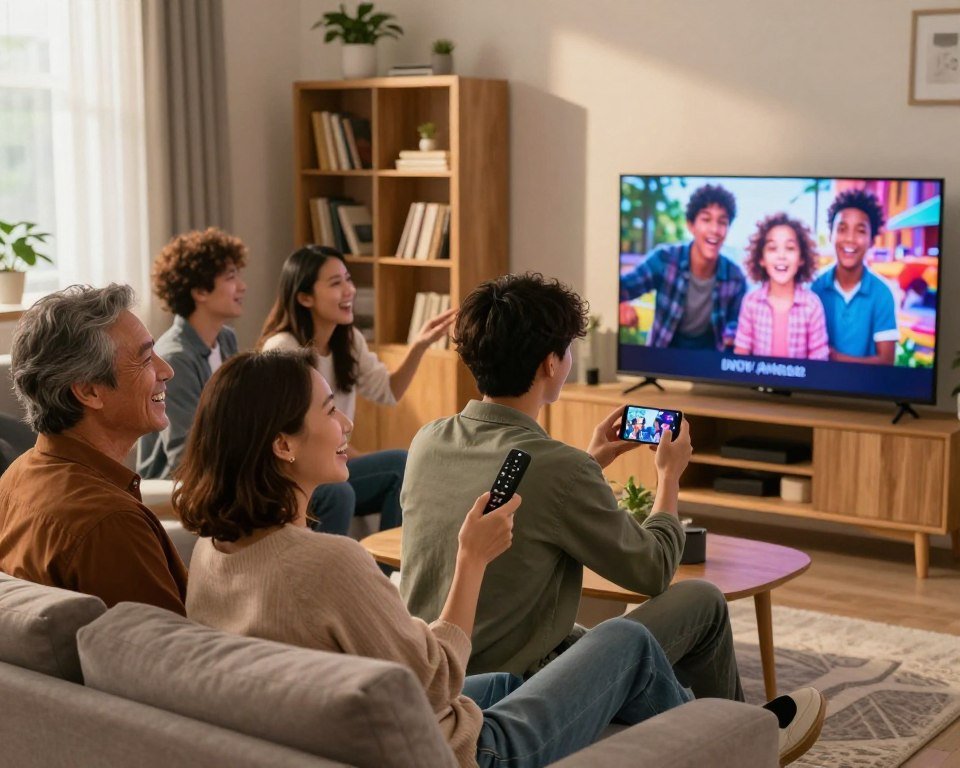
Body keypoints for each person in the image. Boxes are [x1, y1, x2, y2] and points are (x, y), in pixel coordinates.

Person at [175, 350, 698, 768]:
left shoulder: (211, 553)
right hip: (464, 753)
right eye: (331, 410)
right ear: (283, 444)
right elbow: (435, 683)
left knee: (512, 683)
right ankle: (726, 737)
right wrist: (471, 559)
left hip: (357, 727)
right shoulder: (333, 563)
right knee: (626, 641)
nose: (347, 426)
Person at [399, 273, 825, 765]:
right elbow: (652, 570)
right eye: (568, 350)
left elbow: (532, 507)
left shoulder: (427, 440)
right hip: (518, 691)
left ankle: (708, 728)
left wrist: (591, 462)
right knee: (703, 602)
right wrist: (669, 477)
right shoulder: (559, 469)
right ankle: (742, 742)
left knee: (599, 635)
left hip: (441, 675)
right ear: (551, 363)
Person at [0, 284, 187, 613]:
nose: (166, 370)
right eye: (145, 359)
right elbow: (174, 657)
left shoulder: (16, 476)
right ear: (89, 392)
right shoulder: (111, 525)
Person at [258, 245, 454, 536]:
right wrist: (346, 455)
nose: (349, 290)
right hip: (293, 473)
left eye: (348, 279)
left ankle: (384, 573)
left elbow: (388, 391)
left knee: (402, 465)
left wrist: (420, 346)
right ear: (304, 297)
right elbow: (287, 434)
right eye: (336, 283)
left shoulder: (348, 342)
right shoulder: (283, 350)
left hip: (328, 462)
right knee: (352, 486)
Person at [137, 228, 247, 479]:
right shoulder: (176, 359)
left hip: (223, 475)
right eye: (231, 278)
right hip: (179, 486)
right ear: (200, 292)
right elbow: (184, 455)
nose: (242, 286)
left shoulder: (226, 339)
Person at [619, 184, 747, 350]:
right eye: (706, 219)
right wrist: (619, 304)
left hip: (710, 367)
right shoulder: (665, 259)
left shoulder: (735, 278)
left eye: (722, 222)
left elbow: (737, 330)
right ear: (691, 225)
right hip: (661, 363)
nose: (715, 229)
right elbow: (620, 288)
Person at [811, 189, 898, 365]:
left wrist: (835, 358)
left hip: (867, 390)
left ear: (872, 240)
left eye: (860, 231)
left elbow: (886, 361)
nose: (850, 239)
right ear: (830, 235)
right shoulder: (815, 288)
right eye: (842, 229)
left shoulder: (882, 294)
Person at [734, 213, 829, 360]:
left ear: (802, 258)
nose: (781, 256)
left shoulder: (812, 305)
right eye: (773, 248)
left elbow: (819, 359)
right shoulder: (751, 302)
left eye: (790, 248)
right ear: (761, 258)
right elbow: (741, 353)